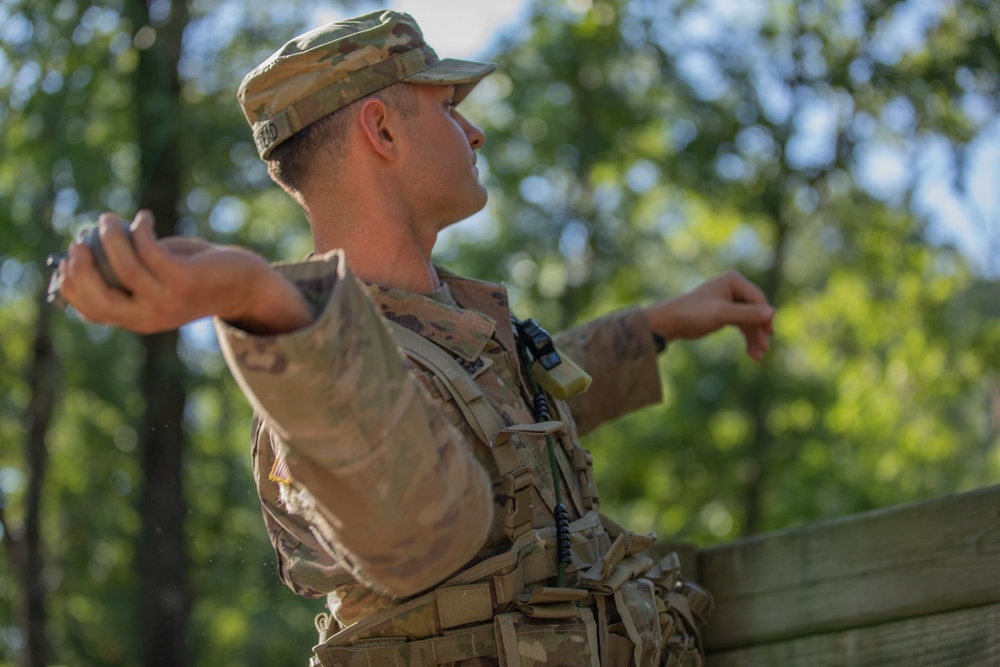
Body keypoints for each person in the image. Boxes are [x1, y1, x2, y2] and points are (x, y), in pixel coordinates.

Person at [55, 9, 774, 666]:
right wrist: (263, 300)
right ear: (384, 130)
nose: (474, 130)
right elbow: (420, 524)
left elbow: (511, 417)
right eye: (449, 105)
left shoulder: (452, 326)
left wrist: (658, 324)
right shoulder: (324, 388)